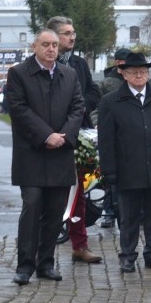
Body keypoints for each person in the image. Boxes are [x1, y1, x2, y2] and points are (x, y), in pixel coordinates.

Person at [7, 29, 85, 285]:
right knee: (31, 206)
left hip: (60, 154)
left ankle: (46, 264)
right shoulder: (18, 73)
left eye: (54, 44)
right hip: (31, 154)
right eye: (45, 44)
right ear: (34, 46)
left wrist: (63, 136)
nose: (51, 49)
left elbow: (77, 107)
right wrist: (46, 135)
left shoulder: (69, 74)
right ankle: (25, 266)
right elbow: (18, 110)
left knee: (54, 212)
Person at [97, 52, 151, 272]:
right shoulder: (111, 101)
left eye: (144, 72)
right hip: (128, 168)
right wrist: (109, 170)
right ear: (124, 75)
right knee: (128, 216)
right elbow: (106, 140)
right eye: (134, 72)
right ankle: (128, 255)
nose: (140, 76)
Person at [46, 16, 102, 265]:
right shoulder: (44, 65)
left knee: (79, 195)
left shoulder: (79, 63)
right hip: (50, 138)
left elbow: (92, 91)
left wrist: (78, 111)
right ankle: (43, 248)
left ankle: (79, 244)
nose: (73, 37)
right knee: (48, 196)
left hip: (79, 137)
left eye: (73, 32)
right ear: (54, 37)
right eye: (67, 33)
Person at [95, 47, 131, 229]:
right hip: (112, 137)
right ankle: (108, 212)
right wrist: (98, 124)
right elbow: (96, 108)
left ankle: (136, 214)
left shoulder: (136, 81)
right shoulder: (107, 83)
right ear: (118, 63)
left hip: (132, 139)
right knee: (111, 177)